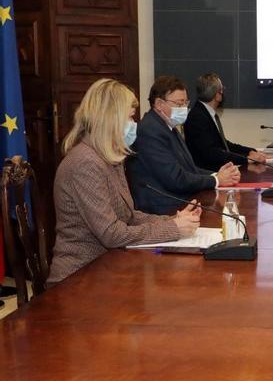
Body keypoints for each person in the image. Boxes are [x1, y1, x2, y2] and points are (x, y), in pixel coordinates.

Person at [49, 79, 201, 285]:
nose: (134, 125)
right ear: (110, 118)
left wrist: (172, 220)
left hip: (109, 267)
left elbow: (129, 216)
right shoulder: (85, 162)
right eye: (130, 118)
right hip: (80, 277)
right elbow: (111, 234)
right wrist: (173, 229)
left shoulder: (111, 156)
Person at [127, 76, 240, 215]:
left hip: (179, 202)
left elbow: (188, 168)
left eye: (185, 103)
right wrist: (216, 180)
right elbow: (176, 179)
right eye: (179, 104)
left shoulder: (169, 126)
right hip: (161, 210)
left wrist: (218, 174)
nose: (184, 108)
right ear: (159, 103)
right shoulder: (150, 130)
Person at [184, 73, 268, 170]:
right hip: (208, 174)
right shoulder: (197, 117)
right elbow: (211, 153)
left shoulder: (204, 112)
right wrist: (245, 159)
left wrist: (249, 152)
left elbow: (223, 144)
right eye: (222, 90)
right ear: (217, 95)